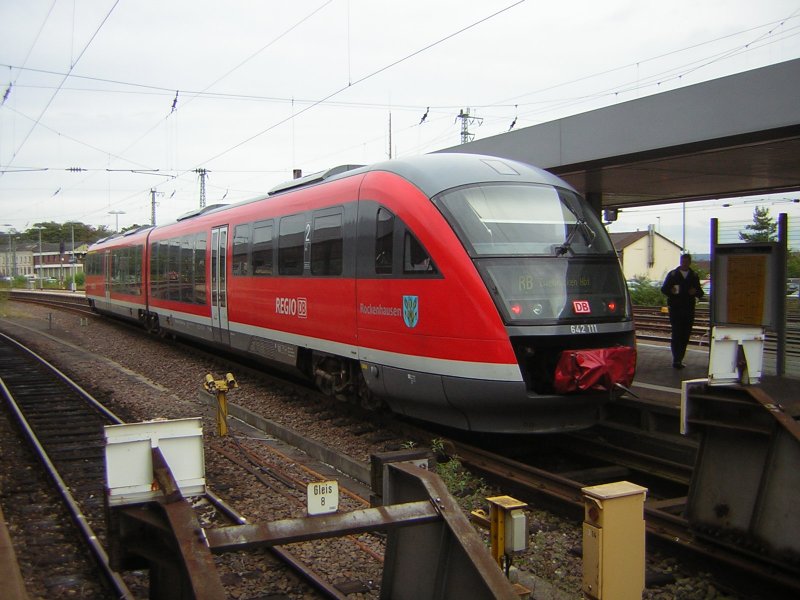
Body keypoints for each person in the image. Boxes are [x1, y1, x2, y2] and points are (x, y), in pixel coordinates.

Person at [661, 253, 704, 369]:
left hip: (689, 309)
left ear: (689, 262)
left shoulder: (694, 276)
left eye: (686, 262)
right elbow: (664, 289)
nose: (684, 264)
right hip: (675, 309)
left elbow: (700, 292)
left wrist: (695, 292)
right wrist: (671, 291)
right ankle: (676, 359)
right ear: (680, 262)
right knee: (677, 333)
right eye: (683, 262)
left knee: (685, 334)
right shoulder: (673, 275)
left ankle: (680, 358)